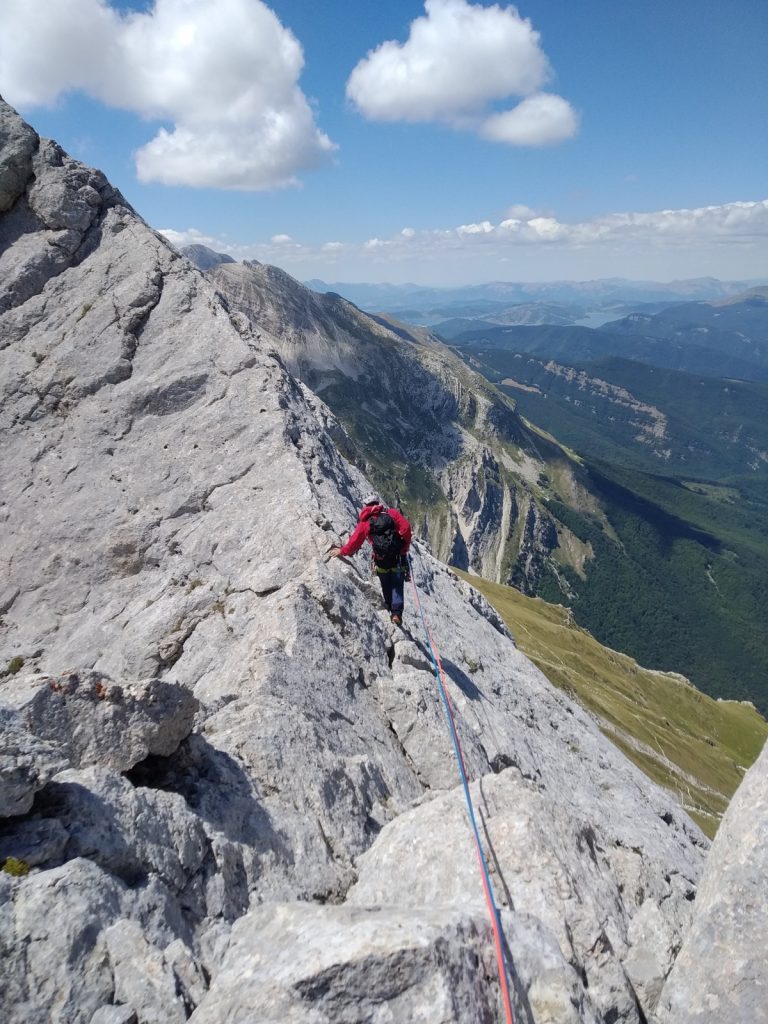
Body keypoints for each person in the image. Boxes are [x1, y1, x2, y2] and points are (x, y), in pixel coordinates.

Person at [329, 494, 412, 624]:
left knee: (386, 585)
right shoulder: (391, 513)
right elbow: (406, 528)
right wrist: (404, 548)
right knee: (397, 584)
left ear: (366, 506)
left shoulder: (366, 522)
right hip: (396, 556)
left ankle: (389, 608)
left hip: (381, 559)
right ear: (377, 503)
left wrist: (342, 551)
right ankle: (396, 614)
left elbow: (355, 542)